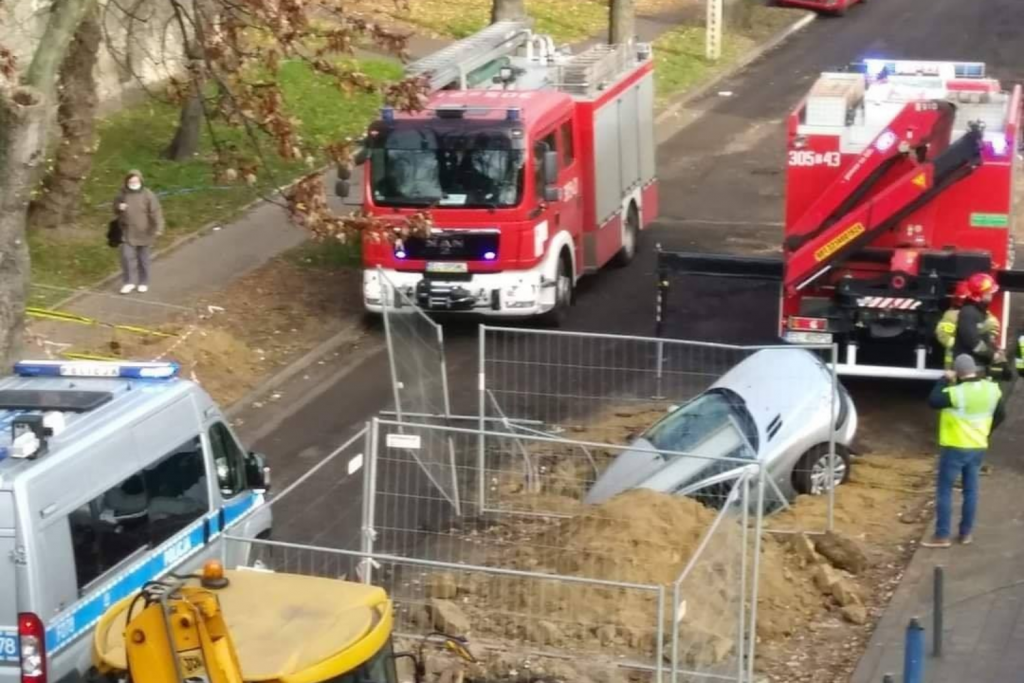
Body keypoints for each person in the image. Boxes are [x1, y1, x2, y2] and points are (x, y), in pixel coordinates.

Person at [922, 354, 1005, 548]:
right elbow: (1001, 414)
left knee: (945, 490)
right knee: (971, 491)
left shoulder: (957, 393)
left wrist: (944, 379)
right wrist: (986, 432)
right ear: (974, 370)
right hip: (977, 447)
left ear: (958, 373)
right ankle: (966, 534)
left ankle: (942, 536)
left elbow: (934, 400)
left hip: (955, 447)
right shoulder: (992, 389)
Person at [112, 170, 164, 294]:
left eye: (136, 181)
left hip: (145, 231)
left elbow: (156, 212)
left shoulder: (148, 195)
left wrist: (159, 227)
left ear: (140, 181)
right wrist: (119, 207)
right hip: (127, 231)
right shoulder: (122, 194)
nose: (133, 183)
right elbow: (115, 206)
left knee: (143, 259)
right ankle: (128, 282)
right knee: (126, 257)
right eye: (131, 181)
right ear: (127, 182)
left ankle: (143, 282)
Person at [935, 279, 1001, 370]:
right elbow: (943, 335)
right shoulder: (988, 318)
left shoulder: (952, 315)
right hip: (967, 364)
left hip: (964, 363)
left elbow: (942, 335)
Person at [953, 273, 1006, 377]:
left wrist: (996, 351)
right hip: (969, 370)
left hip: (977, 367)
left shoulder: (979, 312)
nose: (992, 295)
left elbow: (983, 336)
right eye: (989, 292)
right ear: (980, 294)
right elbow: (974, 342)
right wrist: (992, 355)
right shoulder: (969, 313)